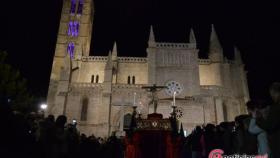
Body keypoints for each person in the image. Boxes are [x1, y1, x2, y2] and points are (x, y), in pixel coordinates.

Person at [257, 82, 280, 158]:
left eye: (271, 93)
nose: (271, 96)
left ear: (274, 92)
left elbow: (269, 125)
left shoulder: (276, 107)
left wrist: (258, 118)